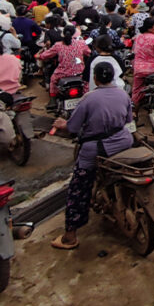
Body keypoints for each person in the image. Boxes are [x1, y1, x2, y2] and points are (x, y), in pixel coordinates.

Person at [50, 62, 134, 250]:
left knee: (77, 189)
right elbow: (128, 119)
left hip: (97, 147)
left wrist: (63, 124)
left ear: (95, 78)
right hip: (123, 141)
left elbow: (72, 127)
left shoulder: (89, 98)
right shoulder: (123, 94)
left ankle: (70, 236)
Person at [38, 25, 91, 109]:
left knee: (53, 80)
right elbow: (89, 53)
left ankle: (52, 101)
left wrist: (39, 56)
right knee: (86, 84)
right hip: (80, 72)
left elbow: (44, 56)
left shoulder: (58, 45)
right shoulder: (81, 43)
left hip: (62, 73)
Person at [130, 17, 154, 109]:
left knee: (136, 91)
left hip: (140, 69)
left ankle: (135, 112)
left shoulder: (138, 38)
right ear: (150, 28)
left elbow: (134, 52)